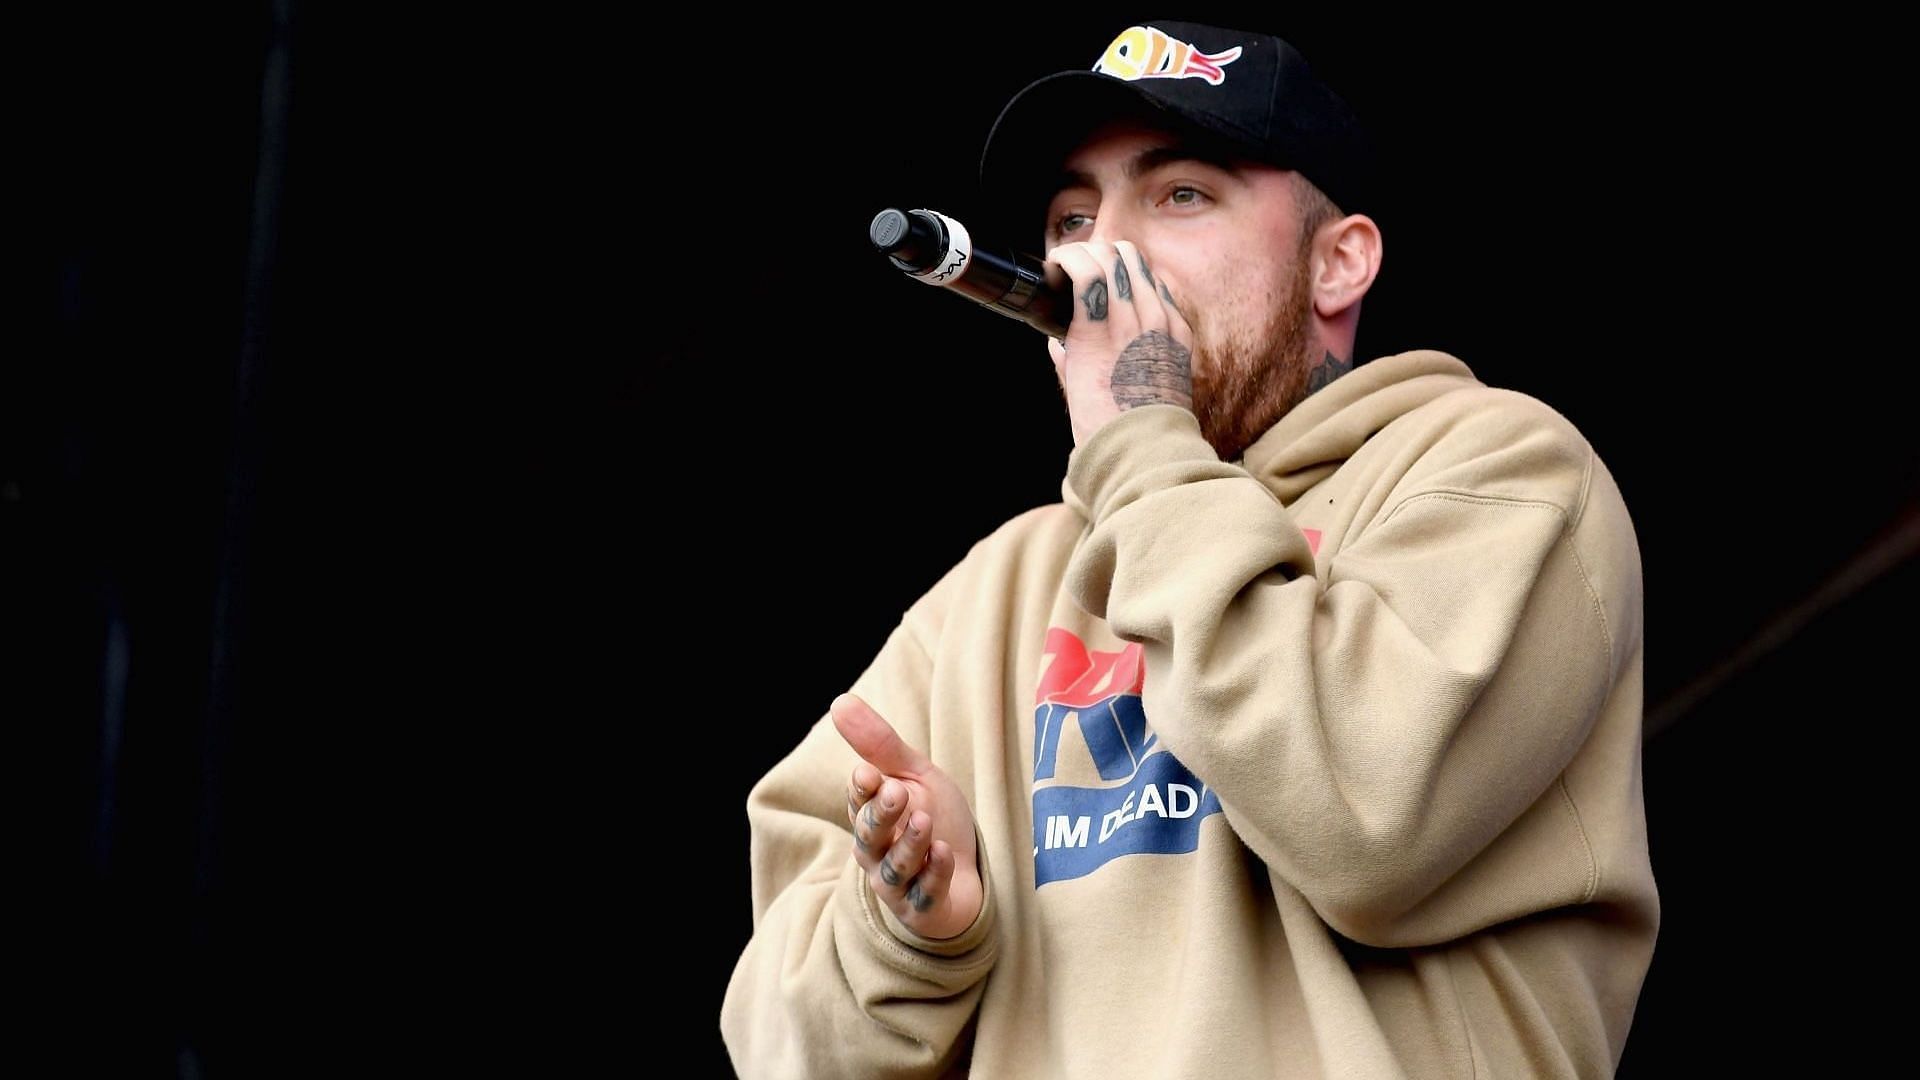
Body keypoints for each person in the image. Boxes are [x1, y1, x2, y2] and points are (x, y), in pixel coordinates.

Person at [721, 20, 1658, 1079]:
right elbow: (775, 1046)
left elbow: (1362, 818)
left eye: (1181, 196)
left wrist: (1142, 441)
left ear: (1339, 262)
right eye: (1072, 215)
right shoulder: (989, 596)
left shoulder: (1498, 473)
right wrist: (907, 926)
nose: (1099, 255)